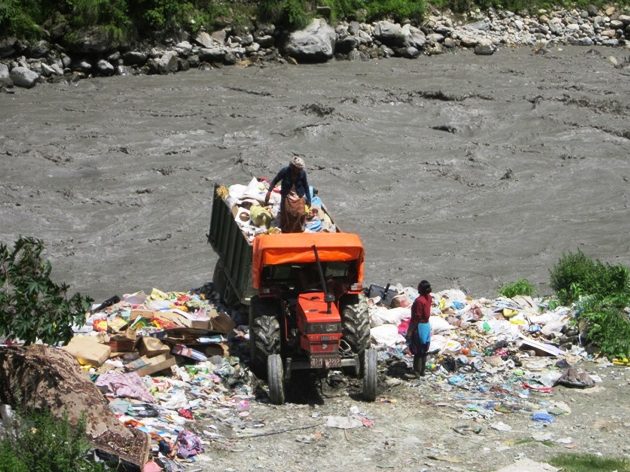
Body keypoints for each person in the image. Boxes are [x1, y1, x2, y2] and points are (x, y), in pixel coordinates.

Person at [264, 156, 311, 233]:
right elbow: (275, 181)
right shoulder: (285, 171)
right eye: (298, 168)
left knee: (301, 213)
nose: (300, 170)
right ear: (293, 167)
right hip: (287, 194)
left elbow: (306, 186)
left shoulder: (302, 173)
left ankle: (298, 228)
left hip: (298, 194)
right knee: (287, 212)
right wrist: (269, 192)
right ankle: (286, 229)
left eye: (300, 169)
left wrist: (309, 200)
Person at [407, 280, 433, 377]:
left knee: (417, 349)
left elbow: (416, 317)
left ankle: (416, 372)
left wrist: (410, 331)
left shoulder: (419, 301)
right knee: (424, 348)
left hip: (420, 326)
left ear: (420, 289)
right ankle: (422, 371)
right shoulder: (429, 298)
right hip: (426, 325)